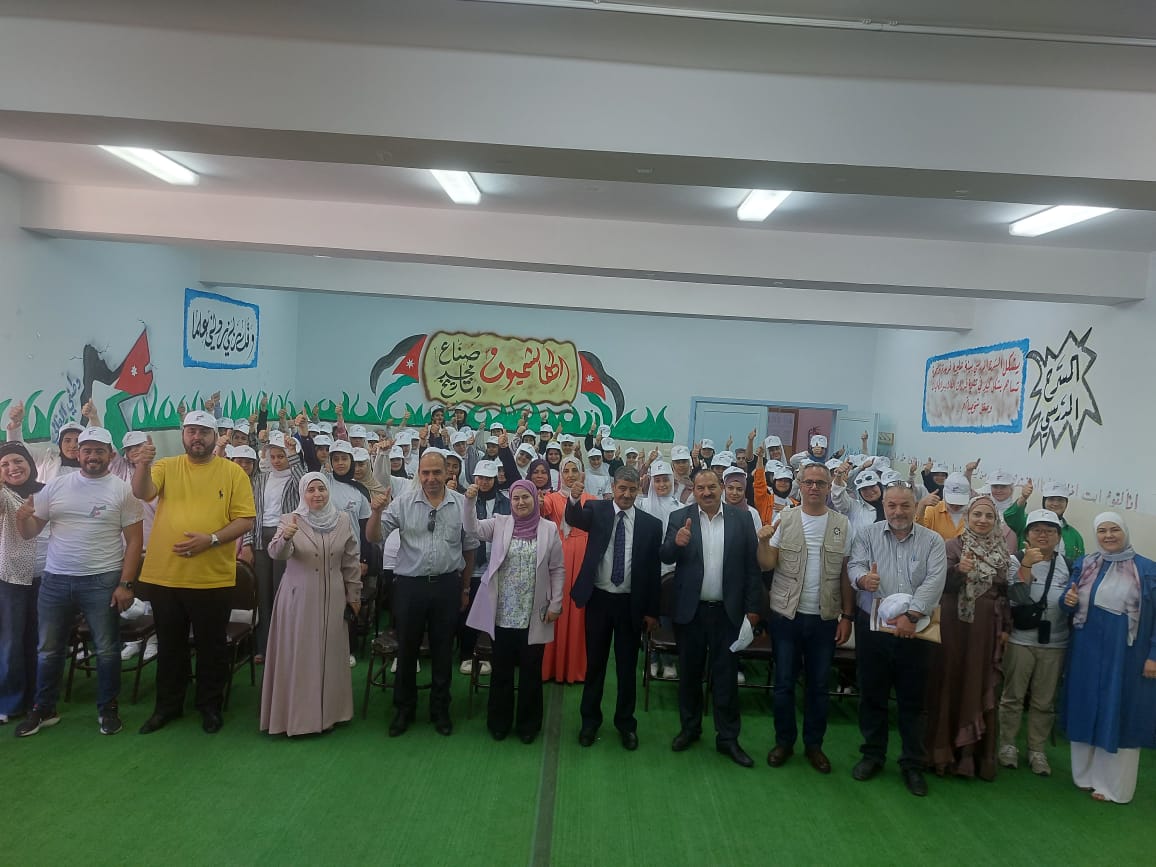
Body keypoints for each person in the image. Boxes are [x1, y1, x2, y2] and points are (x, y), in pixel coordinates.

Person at [132, 411, 256, 735]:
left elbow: (245, 520)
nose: (196, 437)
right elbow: (142, 492)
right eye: (191, 431)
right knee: (170, 647)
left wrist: (211, 539)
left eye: (203, 431)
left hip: (212, 578)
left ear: (215, 436)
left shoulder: (233, 473)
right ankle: (168, 706)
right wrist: (142, 464)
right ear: (183, 435)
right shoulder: (166, 466)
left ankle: (209, 706)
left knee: (211, 647)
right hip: (165, 576)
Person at [13, 428, 142, 738]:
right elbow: (30, 533)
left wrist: (126, 584)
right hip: (55, 581)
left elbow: (135, 542)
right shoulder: (56, 486)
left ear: (110, 454)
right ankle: (45, 709)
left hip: (102, 581)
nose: (92, 456)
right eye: (87, 450)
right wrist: (21, 517)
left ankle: (108, 709)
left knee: (107, 649)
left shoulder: (123, 490)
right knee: (48, 649)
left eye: (99, 450)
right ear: (77, 453)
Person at [367, 451, 477, 737]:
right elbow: (374, 537)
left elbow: (469, 548)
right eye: (425, 473)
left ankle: (440, 710)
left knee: (443, 650)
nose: (431, 479)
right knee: (407, 649)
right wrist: (376, 512)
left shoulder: (461, 504)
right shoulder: (402, 503)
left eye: (437, 472)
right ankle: (404, 709)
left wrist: (465, 588)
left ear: (448, 473)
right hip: (410, 587)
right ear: (419, 474)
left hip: (446, 585)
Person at [848, 482, 947, 796]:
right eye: (892, 505)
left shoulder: (933, 541)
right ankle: (873, 755)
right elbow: (855, 564)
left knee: (913, 700)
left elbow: (935, 580)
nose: (898, 511)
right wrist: (862, 578)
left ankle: (912, 763)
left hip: (916, 629)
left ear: (915, 506)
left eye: (905, 505)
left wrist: (912, 615)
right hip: (873, 627)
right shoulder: (867, 535)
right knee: (872, 694)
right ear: (884, 506)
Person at [661, 468, 763, 768]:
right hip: (690, 612)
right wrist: (676, 543)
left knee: (726, 678)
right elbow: (665, 556)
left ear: (721, 487)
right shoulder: (679, 517)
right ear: (693, 490)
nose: (706, 492)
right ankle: (689, 729)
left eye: (711, 487)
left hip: (728, 613)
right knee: (689, 675)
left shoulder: (742, 519)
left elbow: (752, 568)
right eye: (700, 488)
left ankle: (728, 738)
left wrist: (753, 610)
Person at [756, 462, 854, 773]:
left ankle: (814, 746)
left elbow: (845, 574)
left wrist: (847, 616)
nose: (814, 487)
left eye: (820, 483)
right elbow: (767, 565)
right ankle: (784, 742)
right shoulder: (785, 519)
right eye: (808, 482)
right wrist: (763, 541)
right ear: (800, 484)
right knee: (784, 683)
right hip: (786, 615)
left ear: (829, 487)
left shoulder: (842, 524)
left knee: (819, 686)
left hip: (825, 618)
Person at [1060, 512, 1156, 804]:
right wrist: (1067, 600)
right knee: (1086, 706)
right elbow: (1069, 600)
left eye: (1114, 530)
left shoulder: (1147, 570)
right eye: (1102, 530)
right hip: (1086, 651)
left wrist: (1153, 655)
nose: (1108, 536)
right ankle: (1084, 776)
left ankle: (1113, 786)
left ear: (1125, 532)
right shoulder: (1086, 563)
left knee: (1120, 711)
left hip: (1126, 654)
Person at [566, 466, 662, 751]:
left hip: (631, 604)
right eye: (622, 488)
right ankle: (589, 722)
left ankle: (626, 724)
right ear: (613, 487)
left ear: (639, 490)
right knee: (595, 664)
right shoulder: (597, 511)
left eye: (632, 490)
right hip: (598, 600)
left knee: (626, 668)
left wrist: (652, 611)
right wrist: (574, 498)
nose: (627, 494)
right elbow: (574, 518)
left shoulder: (651, 525)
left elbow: (653, 571)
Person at [261, 473, 362, 736]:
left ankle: (331, 714)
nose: (317, 494)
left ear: (328, 492)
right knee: (301, 653)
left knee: (331, 652)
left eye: (321, 489)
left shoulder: (342, 520)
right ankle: (298, 719)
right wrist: (286, 537)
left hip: (335, 597)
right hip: (299, 598)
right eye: (311, 490)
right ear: (302, 494)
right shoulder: (290, 519)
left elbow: (351, 560)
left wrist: (354, 595)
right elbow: (276, 553)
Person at [464, 479, 564, 743]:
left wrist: (556, 603)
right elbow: (472, 528)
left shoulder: (549, 529)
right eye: (516, 498)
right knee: (502, 670)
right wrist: (470, 501)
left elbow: (557, 568)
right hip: (502, 612)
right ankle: (499, 722)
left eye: (525, 497)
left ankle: (528, 725)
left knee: (531, 671)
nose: (520, 503)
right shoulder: (500, 523)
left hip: (534, 612)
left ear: (535, 498)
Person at [925, 493, 1016, 780]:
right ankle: (942, 754)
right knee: (950, 680)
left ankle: (972, 758)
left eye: (989, 515)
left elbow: (1005, 594)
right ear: (967, 517)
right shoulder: (952, 546)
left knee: (977, 680)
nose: (982, 520)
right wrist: (958, 571)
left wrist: (1005, 628)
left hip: (986, 628)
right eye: (977, 514)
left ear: (996, 520)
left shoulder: (1003, 553)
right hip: (955, 625)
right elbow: (938, 584)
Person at [999, 509, 1073, 777]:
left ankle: (1037, 750)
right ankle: (1007, 745)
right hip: (1020, 640)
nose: (1043, 536)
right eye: (1037, 531)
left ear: (1058, 536)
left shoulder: (1069, 565)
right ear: (1027, 535)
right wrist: (1027, 565)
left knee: (1044, 701)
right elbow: (1017, 597)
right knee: (1012, 697)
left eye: (1050, 531)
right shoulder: (1014, 560)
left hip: (1055, 643)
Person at [0, 442, 47, 725]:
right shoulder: (4, 494)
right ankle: (10, 700)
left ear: (30, 462)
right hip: (11, 578)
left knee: (40, 641)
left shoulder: (47, 491)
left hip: (48, 576)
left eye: (18, 461)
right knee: (11, 642)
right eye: (4, 464)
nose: (13, 468)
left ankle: (38, 698)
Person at [540, 456, 593, 684]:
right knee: (555, 605)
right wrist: (537, 500)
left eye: (574, 470)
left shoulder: (590, 500)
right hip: (557, 557)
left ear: (581, 473)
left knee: (578, 610)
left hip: (582, 558)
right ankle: (550, 666)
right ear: (560, 474)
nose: (570, 475)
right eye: (566, 470)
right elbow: (540, 511)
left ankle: (574, 668)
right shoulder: (552, 499)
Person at [459, 460, 507, 676]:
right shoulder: (467, 500)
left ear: (495, 479)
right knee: (469, 612)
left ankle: (488, 656)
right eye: (480, 478)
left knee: (494, 614)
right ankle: (467, 655)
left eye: (488, 478)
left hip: (496, 568)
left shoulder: (506, 503)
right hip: (473, 567)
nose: (484, 482)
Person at [1005, 479, 1085, 560]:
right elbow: (1010, 516)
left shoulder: (1075, 536)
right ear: (1044, 501)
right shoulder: (1028, 522)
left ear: (1066, 503)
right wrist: (1023, 497)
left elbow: (1080, 563)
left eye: (1060, 500)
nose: (1055, 503)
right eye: (1051, 499)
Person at [916, 471, 972, 540]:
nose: (955, 506)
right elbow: (918, 533)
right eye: (951, 503)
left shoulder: (973, 513)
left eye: (960, 504)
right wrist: (921, 505)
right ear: (944, 494)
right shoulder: (933, 510)